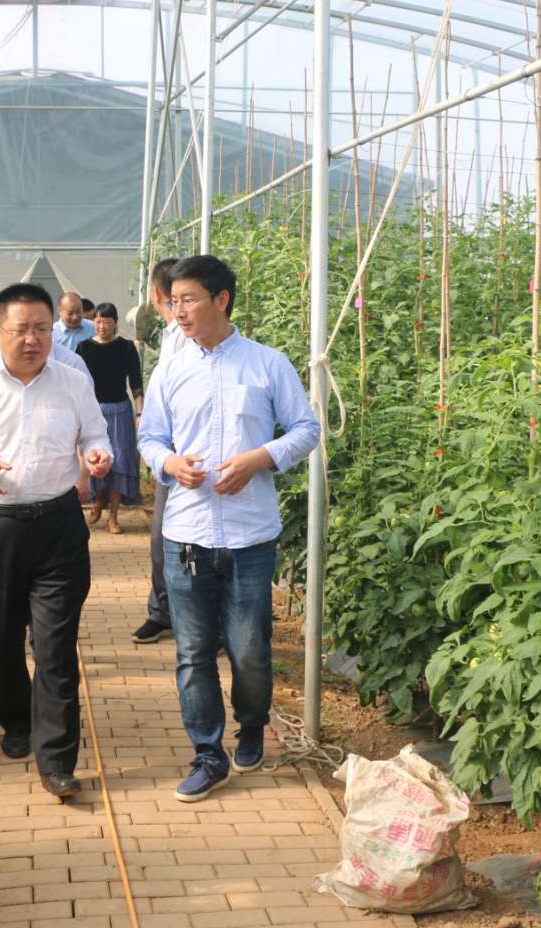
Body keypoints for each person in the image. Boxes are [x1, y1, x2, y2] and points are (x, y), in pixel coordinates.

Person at [137, 255, 319, 803]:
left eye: (188, 299)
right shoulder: (170, 370)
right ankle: (207, 753)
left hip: (249, 535)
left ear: (221, 299)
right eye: (173, 301)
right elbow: (150, 438)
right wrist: (170, 464)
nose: (177, 311)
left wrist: (261, 457)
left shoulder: (267, 364)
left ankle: (252, 723)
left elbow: (306, 429)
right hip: (186, 531)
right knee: (193, 652)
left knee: (249, 649)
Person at [0, 283, 113, 801]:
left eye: (41, 329)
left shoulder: (73, 381)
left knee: (56, 646)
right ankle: (15, 719)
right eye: (21, 330)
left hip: (59, 526)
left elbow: (95, 433)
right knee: (5, 636)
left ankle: (56, 759)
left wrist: (98, 455)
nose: (32, 339)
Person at [132, 258, 183, 645]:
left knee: (181, 542)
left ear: (154, 294)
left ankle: (195, 620)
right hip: (168, 453)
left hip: (186, 454)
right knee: (161, 539)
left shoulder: (187, 338)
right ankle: (163, 611)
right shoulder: (170, 336)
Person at [76, 303, 142, 535]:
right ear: (92, 322)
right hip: (93, 411)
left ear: (115, 323)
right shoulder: (83, 348)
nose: (102, 326)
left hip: (120, 411)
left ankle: (113, 516)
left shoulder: (126, 347)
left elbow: (136, 383)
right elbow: (77, 384)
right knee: (94, 458)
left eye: (107, 321)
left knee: (121, 462)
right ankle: (98, 501)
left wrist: (140, 413)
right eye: (98, 321)